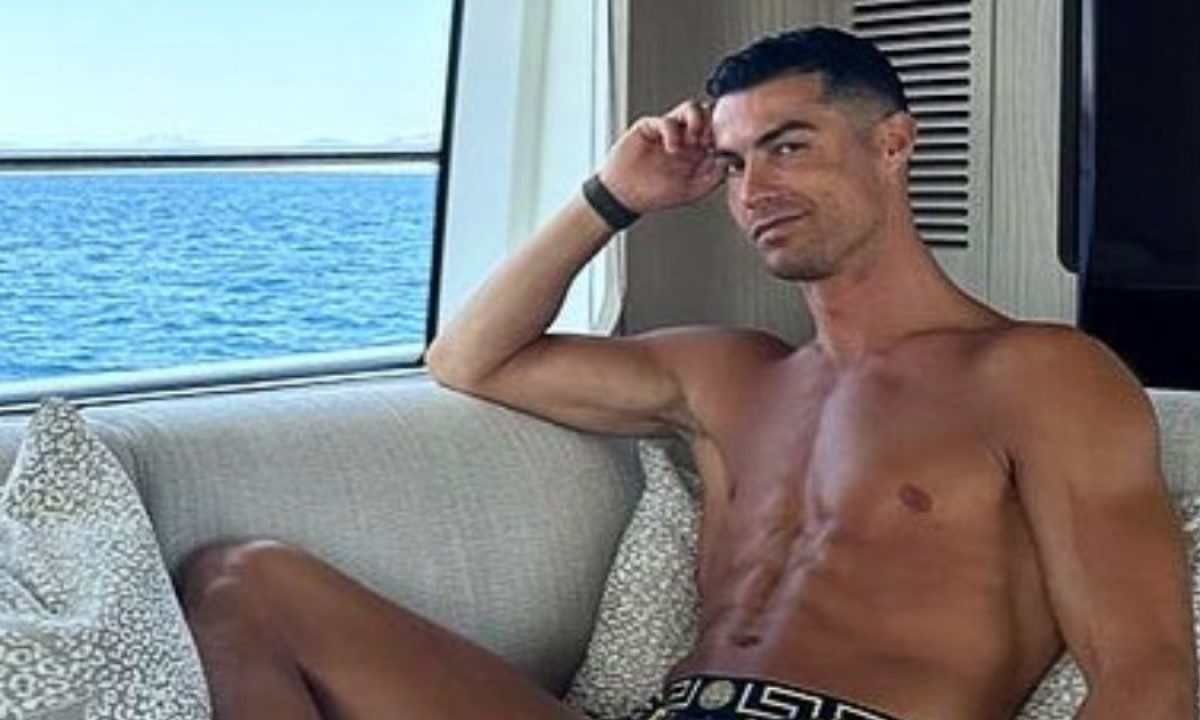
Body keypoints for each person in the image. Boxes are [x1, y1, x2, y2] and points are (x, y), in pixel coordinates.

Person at [180, 27, 1197, 720]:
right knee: (242, 582)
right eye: (736, 163)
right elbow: (469, 358)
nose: (756, 190)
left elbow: (1147, 677)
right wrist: (612, 195)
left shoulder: (1040, 375)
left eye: (789, 147)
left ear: (892, 144)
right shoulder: (729, 374)